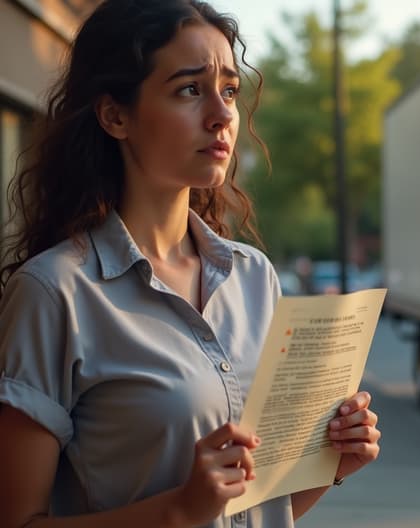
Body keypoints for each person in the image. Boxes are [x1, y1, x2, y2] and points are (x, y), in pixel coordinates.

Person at [0, 1, 381, 527]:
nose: (223, 114)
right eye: (189, 89)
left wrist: (330, 465)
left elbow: (261, 510)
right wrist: (179, 510)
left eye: (228, 90)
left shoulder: (254, 278)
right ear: (115, 115)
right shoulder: (53, 292)